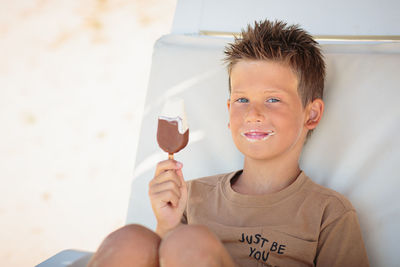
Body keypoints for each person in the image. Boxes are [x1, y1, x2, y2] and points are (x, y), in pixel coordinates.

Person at [88, 19, 369, 267]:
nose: (253, 114)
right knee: (131, 240)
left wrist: (183, 241)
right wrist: (167, 225)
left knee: (189, 243)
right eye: (242, 100)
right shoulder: (190, 197)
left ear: (311, 113)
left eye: (273, 99)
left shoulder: (328, 213)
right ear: (228, 109)